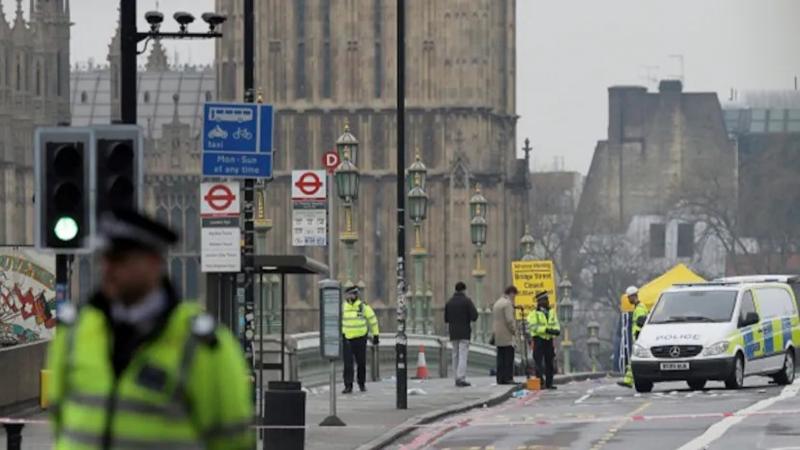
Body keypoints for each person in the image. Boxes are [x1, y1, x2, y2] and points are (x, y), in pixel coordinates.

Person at [47, 209, 253, 450]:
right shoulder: (73, 333)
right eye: (104, 258)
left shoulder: (203, 345)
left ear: (154, 263)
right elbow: (60, 419)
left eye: (120, 259)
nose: (108, 269)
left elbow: (231, 439)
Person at [341, 285, 379, 394]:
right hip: (347, 339)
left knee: (361, 363)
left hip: (360, 339)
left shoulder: (363, 307)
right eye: (349, 294)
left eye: (353, 294)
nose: (351, 296)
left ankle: (361, 383)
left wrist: (376, 335)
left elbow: (373, 320)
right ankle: (348, 385)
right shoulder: (343, 307)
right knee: (348, 364)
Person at [444, 281, 479, 387]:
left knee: (455, 355)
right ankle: (461, 377)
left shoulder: (449, 302)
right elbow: (475, 316)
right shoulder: (467, 301)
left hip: (453, 332)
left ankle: (456, 376)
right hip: (464, 332)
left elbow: (446, 319)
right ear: (464, 290)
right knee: (463, 355)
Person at [527, 291, 560, 389]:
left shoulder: (551, 312)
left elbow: (556, 323)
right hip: (538, 340)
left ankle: (549, 383)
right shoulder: (534, 314)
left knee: (549, 362)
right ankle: (540, 382)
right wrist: (545, 330)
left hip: (549, 340)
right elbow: (533, 327)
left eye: (547, 300)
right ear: (539, 302)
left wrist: (556, 330)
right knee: (538, 362)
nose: (546, 302)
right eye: (544, 300)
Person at [620, 285, 649, 388]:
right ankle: (628, 380)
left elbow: (641, 322)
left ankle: (629, 381)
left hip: (639, 338)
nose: (628, 299)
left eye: (629, 297)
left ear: (633, 296)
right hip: (638, 338)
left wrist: (638, 335)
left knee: (634, 360)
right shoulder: (638, 307)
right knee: (632, 360)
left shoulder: (640, 308)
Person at [492, 286, 518, 385]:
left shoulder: (497, 303)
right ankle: (508, 378)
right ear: (511, 293)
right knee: (508, 358)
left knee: (500, 358)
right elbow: (509, 320)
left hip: (498, 335)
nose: (514, 298)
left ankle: (500, 378)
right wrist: (514, 331)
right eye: (514, 295)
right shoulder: (507, 304)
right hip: (507, 335)